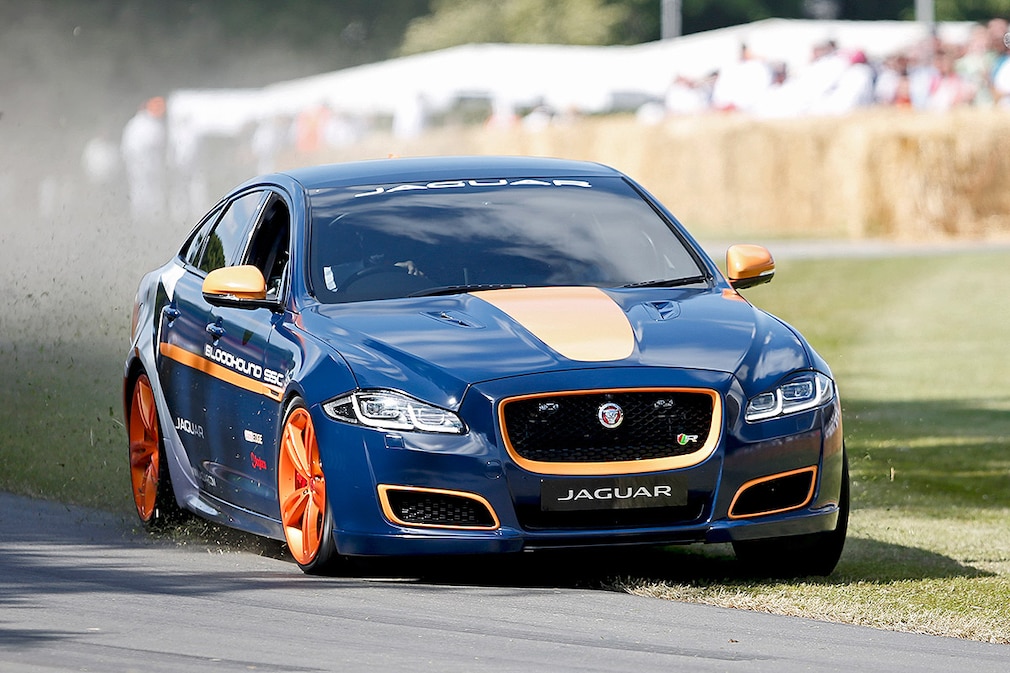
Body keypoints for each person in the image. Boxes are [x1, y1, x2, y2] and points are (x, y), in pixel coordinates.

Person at [120, 96, 167, 226]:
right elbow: (158, 143)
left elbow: (125, 148)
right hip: (149, 164)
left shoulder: (132, 124)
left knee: (138, 191)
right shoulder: (151, 124)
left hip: (136, 165)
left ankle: (141, 219)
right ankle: (153, 219)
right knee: (152, 192)